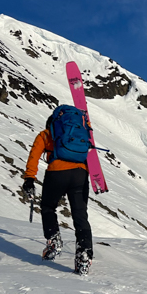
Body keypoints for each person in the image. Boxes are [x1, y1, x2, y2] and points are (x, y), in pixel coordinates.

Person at [22, 108, 93, 274]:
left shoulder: (46, 134)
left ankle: (54, 239)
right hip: (81, 174)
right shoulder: (81, 133)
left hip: (57, 172)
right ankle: (84, 255)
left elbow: (34, 155)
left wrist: (29, 178)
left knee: (48, 206)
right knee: (80, 216)